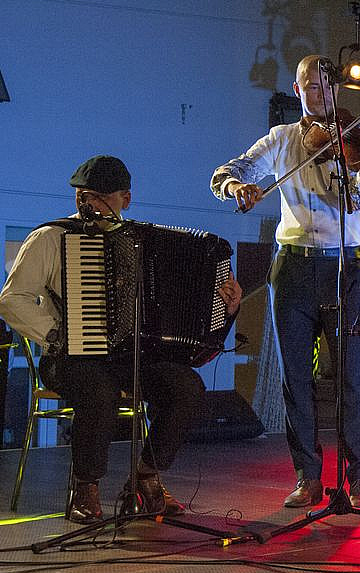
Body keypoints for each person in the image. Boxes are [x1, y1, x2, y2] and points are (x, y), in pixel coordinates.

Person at [0, 155, 242, 523]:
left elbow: (187, 308)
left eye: (99, 196)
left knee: (187, 387)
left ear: (125, 199)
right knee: (100, 390)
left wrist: (228, 306)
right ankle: (84, 487)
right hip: (68, 357)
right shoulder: (51, 237)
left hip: (132, 357)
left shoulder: (145, 242)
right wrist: (56, 334)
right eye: (82, 195)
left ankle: (144, 477)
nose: (89, 203)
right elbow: (11, 300)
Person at [211, 55, 360, 511]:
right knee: (296, 377)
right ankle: (308, 477)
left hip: (343, 267)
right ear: (298, 90)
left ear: (338, 90)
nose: (321, 95)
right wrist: (238, 188)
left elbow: (356, 203)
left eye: (328, 87)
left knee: (352, 378)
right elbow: (226, 173)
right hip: (292, 268)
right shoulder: (281, 140)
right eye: (312, 87)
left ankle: (359, 479)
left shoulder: (353, 140)